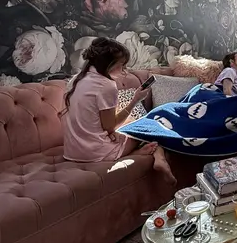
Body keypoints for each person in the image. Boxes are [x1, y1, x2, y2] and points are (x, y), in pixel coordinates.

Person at [61, 37, 175, 183]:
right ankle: (157, 158)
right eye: (122, 65)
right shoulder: (106, 85)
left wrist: (111, 132)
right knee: (151, 127)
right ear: (109, 64)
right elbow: (109, 127)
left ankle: (148, 154)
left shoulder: (75, 80)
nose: (124, 70)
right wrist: (135, 100)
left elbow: (93, 121)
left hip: (72, 151)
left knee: (130, 125)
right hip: (94, 152)